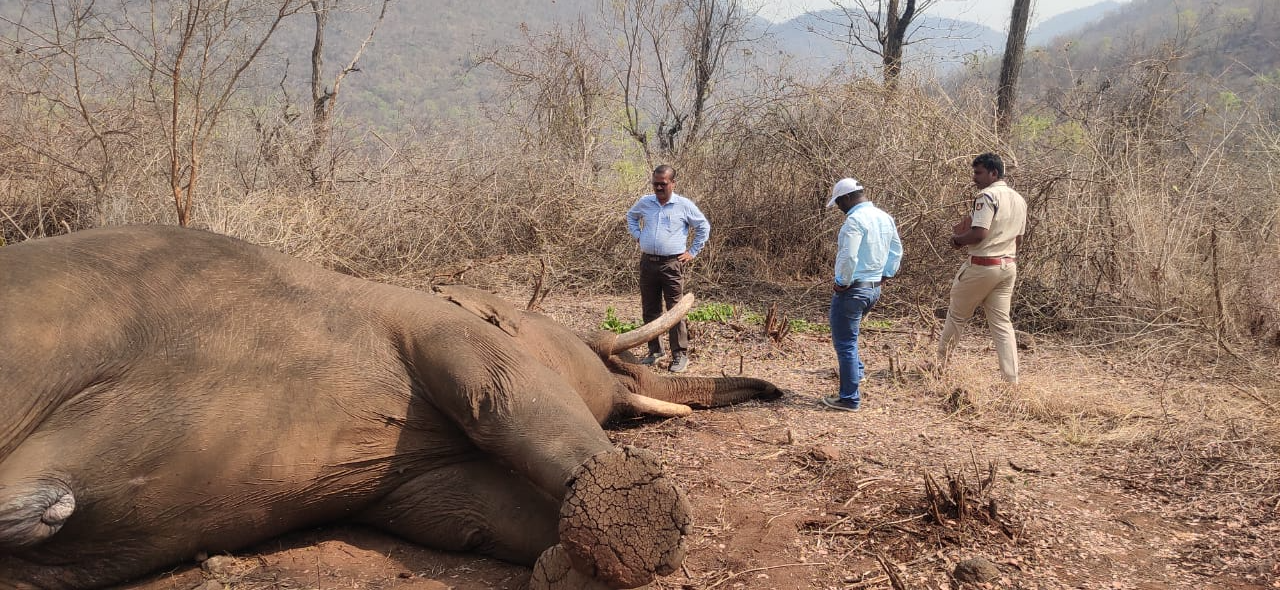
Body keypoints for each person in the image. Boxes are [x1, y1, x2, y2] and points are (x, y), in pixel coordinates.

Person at [938, 152, 1028, 384]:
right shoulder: (1019, 199)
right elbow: (1018, 240)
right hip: (1008, 266)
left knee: (956, 316)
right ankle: (1011, 380)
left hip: (982, 266)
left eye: (978, 173)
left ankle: (939, 368)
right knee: (1001, 324)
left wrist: (957, 240)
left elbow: (979, 233)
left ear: (993, 173)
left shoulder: (986, 196)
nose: (974, 178)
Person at [823, 177, 903, 412]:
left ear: (847, 198)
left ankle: (849, 398)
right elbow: (896, 251)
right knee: (851, 336)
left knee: (845, 342)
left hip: (853, 289)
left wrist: (841, 282)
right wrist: (886, 275)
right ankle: (857, 374)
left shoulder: (854, 221)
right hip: (873, 288)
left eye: (838, 202)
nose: (839, 207)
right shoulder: (884, 217)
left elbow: (849, 256)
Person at [626, 165, 711, 373]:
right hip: (648, 262)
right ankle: (655, 351)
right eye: (655, 184)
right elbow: (631, 217)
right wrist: (639, 236)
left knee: (675, 310)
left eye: (663, 184)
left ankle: (680, 355)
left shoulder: (683, 205)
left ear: (672, 183)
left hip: (672, 264)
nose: (658, 188)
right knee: (650, 308)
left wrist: (692, 252)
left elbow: (703, 227)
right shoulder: (646, 202)